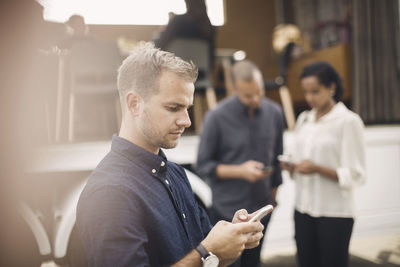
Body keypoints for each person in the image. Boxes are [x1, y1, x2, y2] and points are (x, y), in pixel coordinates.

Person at [76, 42, 265, 267]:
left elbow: (206, 259)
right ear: (134, 103)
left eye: (188, 108)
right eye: (174, 108)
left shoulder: (175, 174)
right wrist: (208, 252)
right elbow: (203, 255)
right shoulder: (110, 194)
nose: (186, 121)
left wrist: (230, 243)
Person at [196, 60, 286, 267]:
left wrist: (274, 197)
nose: (256, 99)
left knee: (254, 263)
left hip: (262, 209)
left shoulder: (275, 113)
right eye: (248, 95)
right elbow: (203, 165)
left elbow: (277, 158)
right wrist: (240, 171)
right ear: (233, 88)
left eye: (259, 92)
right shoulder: (215, 118)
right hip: (227, 211)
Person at [280, 61, 366, 267]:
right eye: (306, 92)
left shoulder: (348, 122)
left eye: (315, 91)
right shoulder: (304, 120)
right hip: (303, 209)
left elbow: (356, 174)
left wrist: (317, 169)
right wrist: (292, 166)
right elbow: (298, 157)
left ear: (332, 87)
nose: (309, 98)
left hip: (334, 214)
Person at [154, 0, 215, 65]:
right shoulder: (208, 27)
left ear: (187, 2)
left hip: (175, 69)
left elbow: (160, 43)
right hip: (201, 71)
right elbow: (211, 55)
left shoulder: (178, 21)